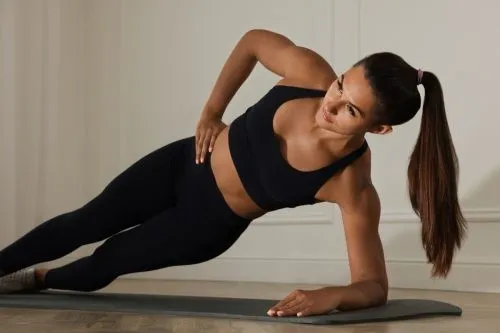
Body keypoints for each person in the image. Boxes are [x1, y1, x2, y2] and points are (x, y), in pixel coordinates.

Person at [0, 29, 466, 317]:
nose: (331, 103)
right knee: (87, 219)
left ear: (378, 128)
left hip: (205, 225)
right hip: (184, 163)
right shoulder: (308, 72)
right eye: (341, 83)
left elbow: (373, 286)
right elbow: (252, 42)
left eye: (349, 110)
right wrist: (211, 112)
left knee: (109, 259)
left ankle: (40, 279)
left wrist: (332, 295)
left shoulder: (350, 180)